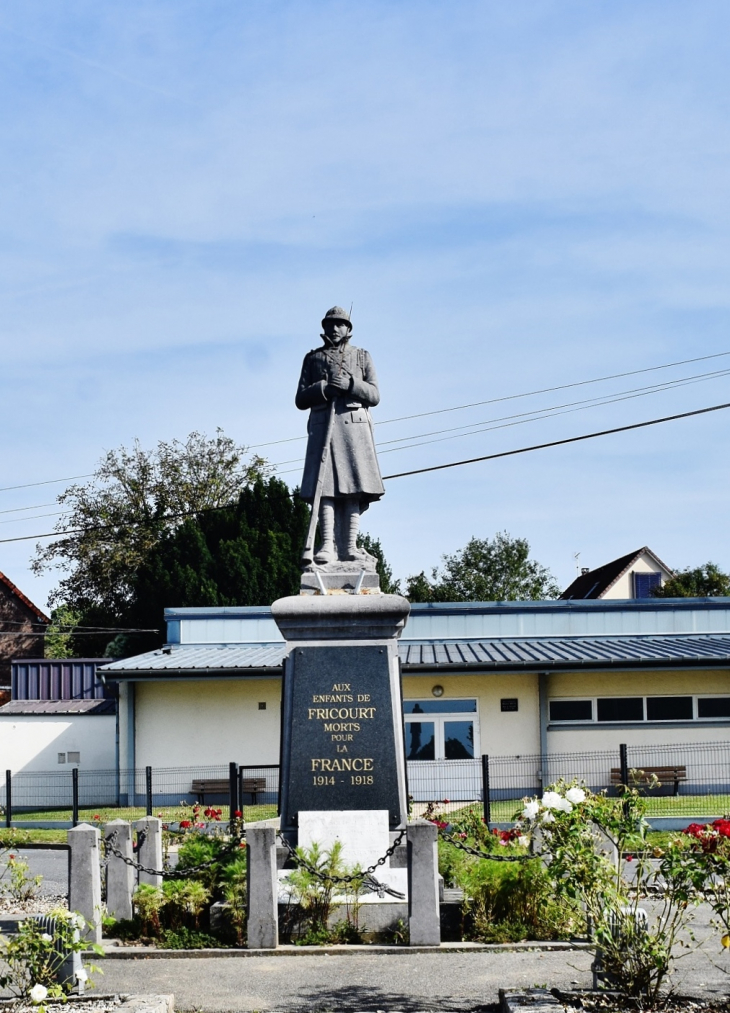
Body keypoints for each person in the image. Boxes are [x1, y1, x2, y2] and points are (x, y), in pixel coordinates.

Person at [296, 306, 385, 565]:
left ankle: (349, 547)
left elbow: (375, 395)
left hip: (354, 429)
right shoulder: (313, 359)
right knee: (324, 488)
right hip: (324, 426)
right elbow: (300, 398)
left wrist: (350, 385)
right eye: (329, 324)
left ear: (348, 328)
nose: (334, 329)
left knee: (353, 488)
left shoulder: (362, 356)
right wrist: (323, 388)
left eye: (339, 324)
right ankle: (326, 546)